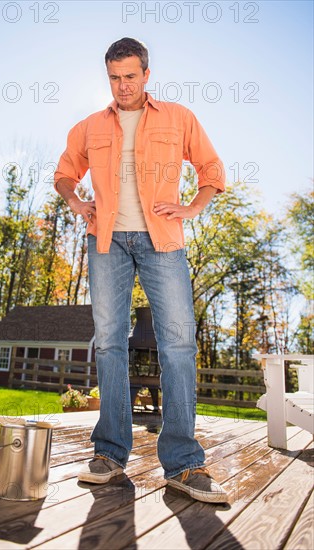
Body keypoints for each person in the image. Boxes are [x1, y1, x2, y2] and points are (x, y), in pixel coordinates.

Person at [54, 37, 228, 503]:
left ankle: (185, 465)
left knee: (178, 346)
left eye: (130, 76)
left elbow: (212, 169)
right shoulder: (90, 126)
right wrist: (77, 202)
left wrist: (192, 207)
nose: (122, 85)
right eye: (114, 77)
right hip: (106, 243)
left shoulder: (178, 117)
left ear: (147, 74)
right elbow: (64, 173)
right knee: (109, 344)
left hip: (163, 242)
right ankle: (109, 455)